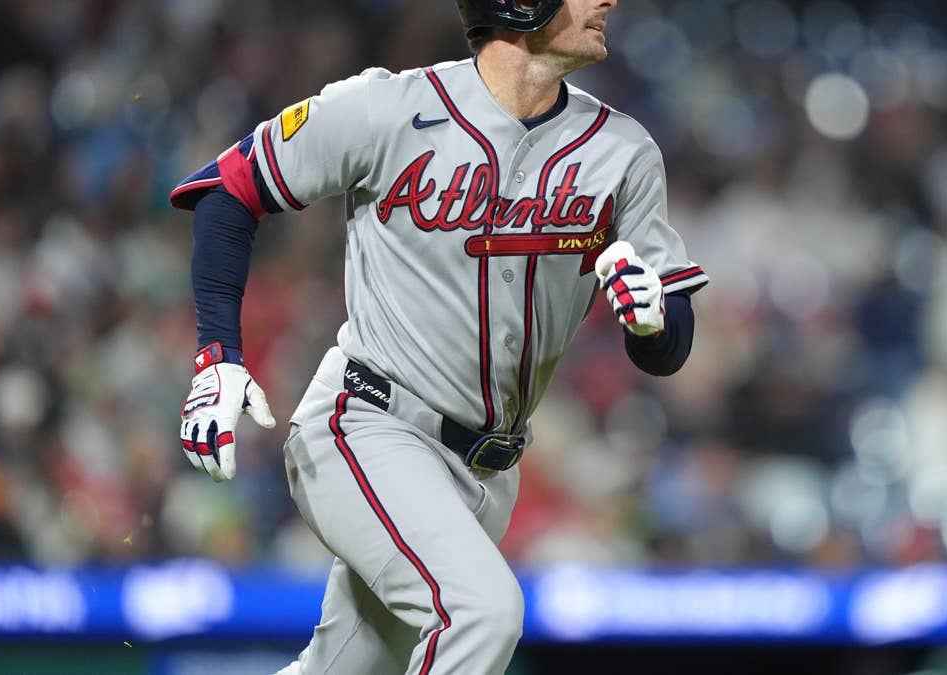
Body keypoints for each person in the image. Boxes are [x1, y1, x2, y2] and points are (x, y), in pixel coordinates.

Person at [171, 0, 708, 672]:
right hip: (367, 428)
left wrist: (653, 321)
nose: (608, 1)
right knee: (482, 611)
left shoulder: (623, 150)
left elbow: (670, 343)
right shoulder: (388, 107)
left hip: (488, 471)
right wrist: (217, 354)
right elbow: (228, 187)